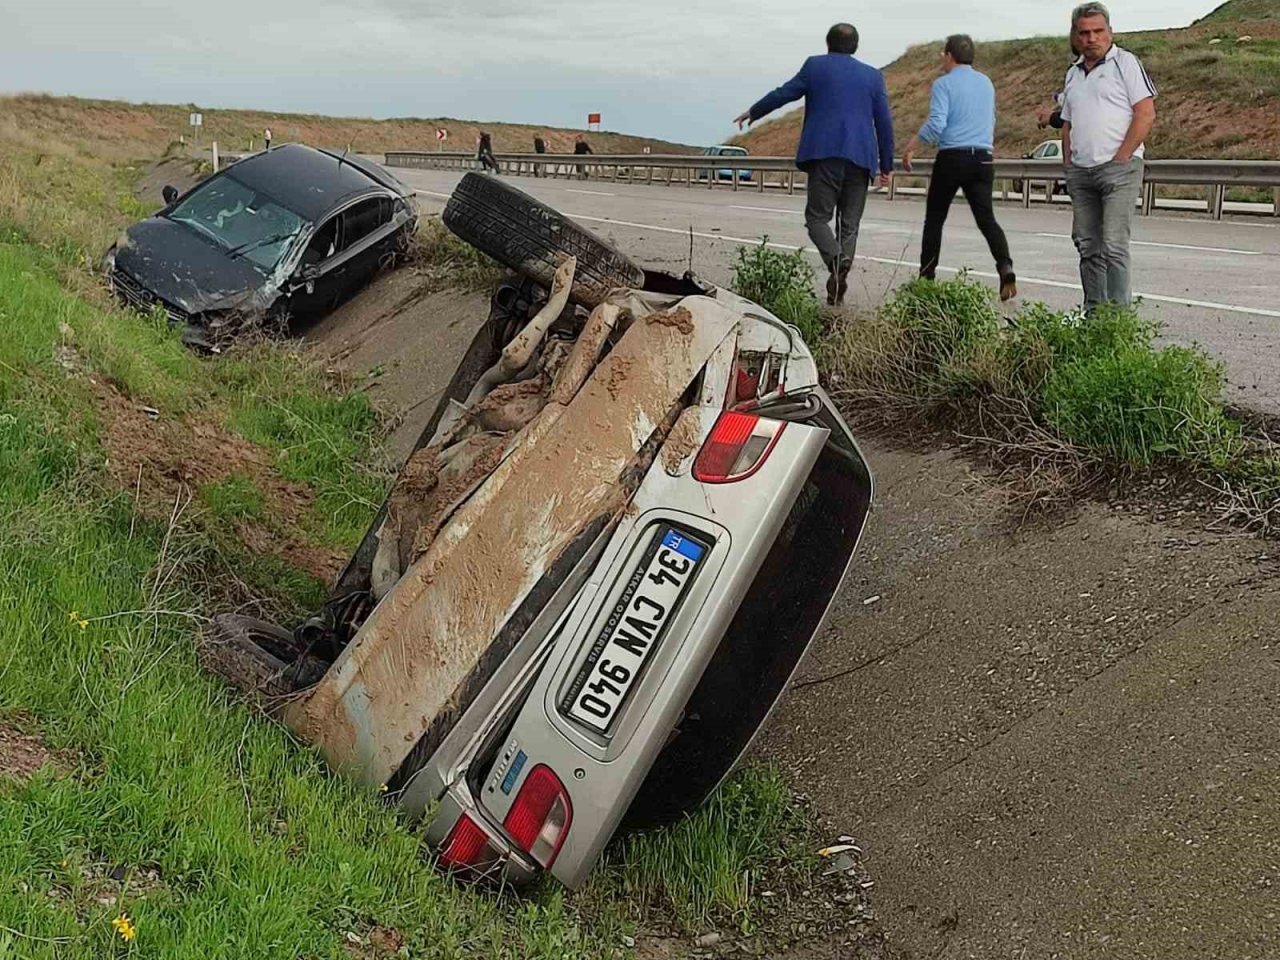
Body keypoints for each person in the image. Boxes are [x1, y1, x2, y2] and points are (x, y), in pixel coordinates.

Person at [734, 23, 894, 307]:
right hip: (861, 158)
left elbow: (785, 93)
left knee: (817, 218)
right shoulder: (872, 76)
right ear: (855, 46)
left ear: (828, 43)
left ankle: (835, 260)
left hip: (825, 155)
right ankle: (839, 275)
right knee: (850, 225)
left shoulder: (815, 67)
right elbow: (884, 121)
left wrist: (755, 110)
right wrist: (887, 165)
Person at [902, 34, 1017, 301]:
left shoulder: (943, 84)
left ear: (949, 55)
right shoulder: (986, 83)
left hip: (953, 158)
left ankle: (926, 281)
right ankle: (1005, 266)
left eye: (943, 55)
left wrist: (912, 145)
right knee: (986, 218)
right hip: (983, 159)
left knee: (935, 219)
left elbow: (937, 123)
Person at [1060, 1, 1156, 308]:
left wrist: (1123, 156)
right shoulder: (1073, 74)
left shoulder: (1125, 63)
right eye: (1085, 32)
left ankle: (1119, 321)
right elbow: (1067, 123)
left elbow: (1145, 113)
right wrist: (1068, 165)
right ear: (1076, 36)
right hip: (1082, 171)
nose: (1092, 38)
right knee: (1088, 245)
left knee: (1114, 245)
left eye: (1098, 31)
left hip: (1118, 169)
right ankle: (1095, 317)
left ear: (1109, 32)